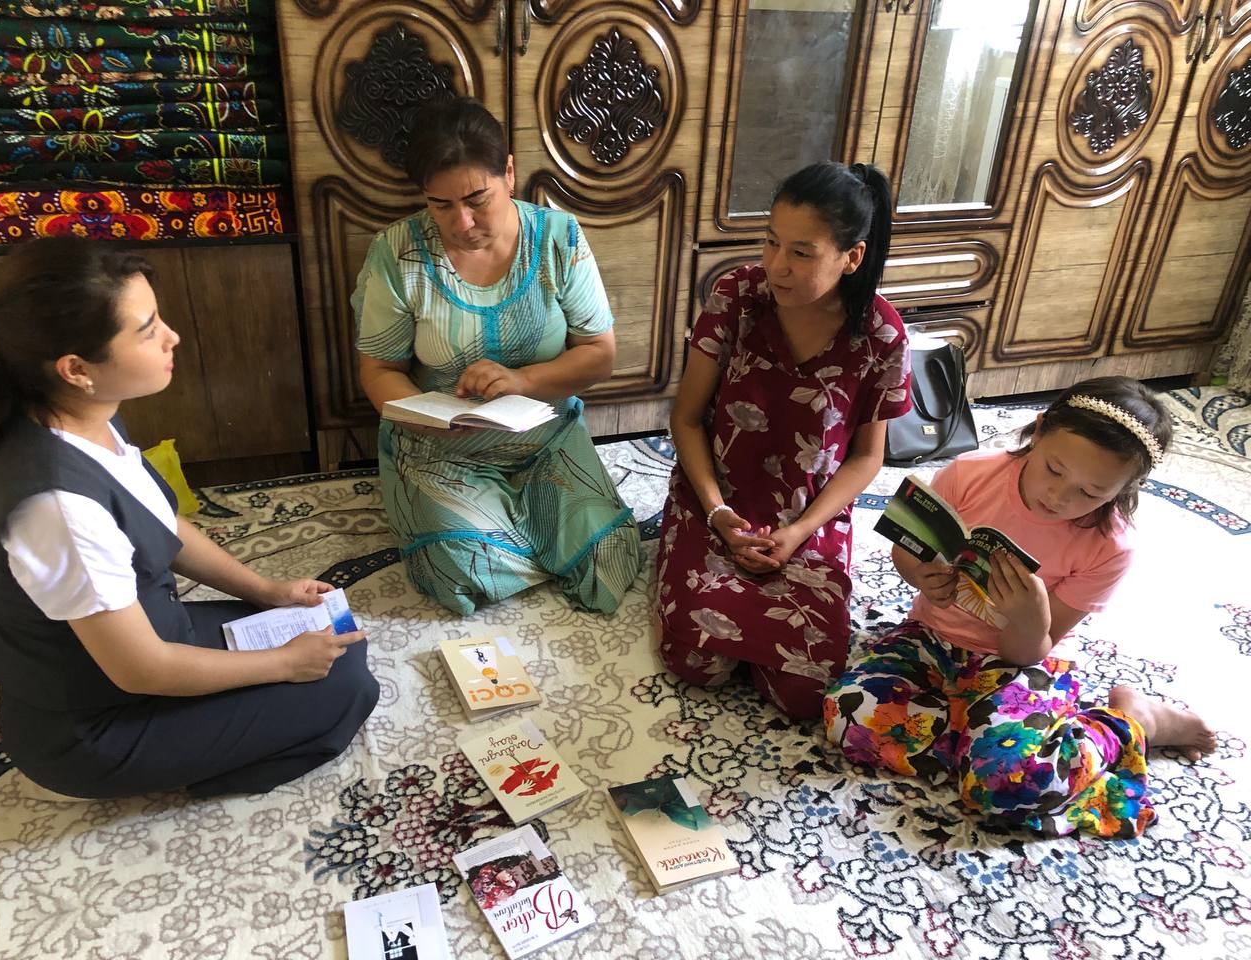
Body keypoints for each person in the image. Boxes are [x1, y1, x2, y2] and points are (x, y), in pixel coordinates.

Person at [0, 238, 379, 799]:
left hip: (140, 639)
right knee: (347, 689)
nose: (173, 337)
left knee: (333, 639)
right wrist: (282, 664)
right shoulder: (59, 509)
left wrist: (266, 589)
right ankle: (195, 773)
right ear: (77, 369)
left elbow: (159, 519)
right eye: (148, 330)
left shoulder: (82, 417)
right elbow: (144, 671)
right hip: (95, 725)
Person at [823, 376, 1218, 838]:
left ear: (1125, 488)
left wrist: (1028, 619)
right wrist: (921, 574)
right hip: (930, 636)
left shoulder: (1110, 545)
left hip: (1019, 661)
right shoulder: (969, 473)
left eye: (1091, 493)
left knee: (1013, 788)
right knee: (848, 715)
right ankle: (984, 749)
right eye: (1053, 469)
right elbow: (908, 548)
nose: (1059, 497)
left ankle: (1131, 722)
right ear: (1039, 428)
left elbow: (1030, 651)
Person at [353, 97, 642, 615]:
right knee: (461, 568)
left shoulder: (558, 239)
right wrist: (428, 419)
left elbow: (599, 355)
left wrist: (524, 381)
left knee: (608, 560)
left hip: (545, 440)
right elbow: (380, 370)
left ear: (508, 173)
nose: (462, 222)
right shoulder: (398, 253)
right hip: (439, 450)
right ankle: (521, 535)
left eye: (476, 199)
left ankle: (533, 528)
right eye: (440, 205)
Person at [655, 161, 911, 720]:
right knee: (697, 663)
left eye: (801, 252)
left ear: (852, 257)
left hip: (807, 515)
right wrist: (717, 512)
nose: (776, 265)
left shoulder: (881, 336)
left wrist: (799, 531)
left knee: (804, 693)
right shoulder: (736, 295)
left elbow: (867, 457)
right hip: (716, 500)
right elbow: (688, 419)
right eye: (771, 242)